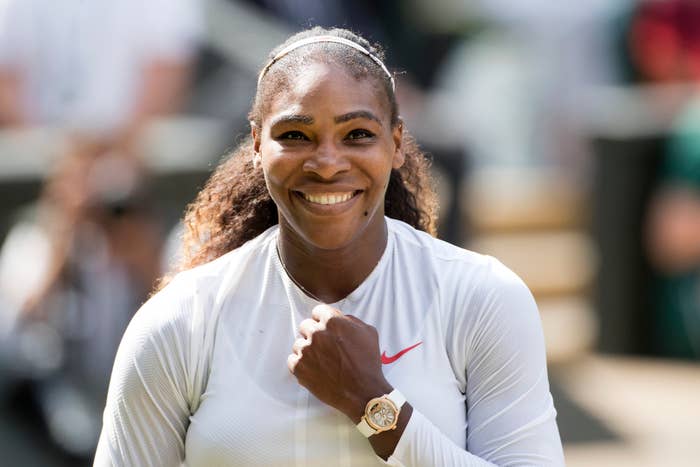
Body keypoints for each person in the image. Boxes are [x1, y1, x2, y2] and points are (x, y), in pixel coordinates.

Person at [94, 27, 564, 466]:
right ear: (257, 145)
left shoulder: (481, 298)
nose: (326, 163)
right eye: (295, 135)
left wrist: (371, 403)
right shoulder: (180, 321)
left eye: (357, 134)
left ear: (396, 143)